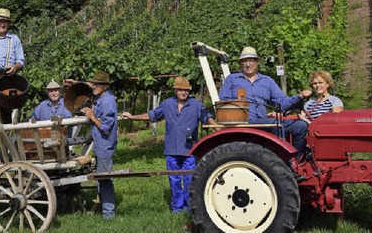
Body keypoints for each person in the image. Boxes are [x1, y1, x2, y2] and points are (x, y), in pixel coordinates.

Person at [122, 76, 215, 213]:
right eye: (180, 90)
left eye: (186, 91)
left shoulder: (196, 105)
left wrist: (219, 129)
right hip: (172, 149)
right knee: (174, 179)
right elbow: (152, 115)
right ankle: (177, 207)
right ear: (175, 91)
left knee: (190, 179)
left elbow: (208, 118)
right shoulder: (167, 104)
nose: (183, 93)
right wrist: (133, 117)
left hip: (189, 150)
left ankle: (190, 207)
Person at [218, 47, 312, 158]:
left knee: (300, 125)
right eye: (245, 61)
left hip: (264, 121)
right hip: (243, 122)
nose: (248, 64)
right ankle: (283, 160)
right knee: (275, 123)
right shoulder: (232, 79)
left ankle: (297, 162)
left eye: (251, 60)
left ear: (257, 62)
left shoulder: (267, 81)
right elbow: (224, 103)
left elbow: (282, 102)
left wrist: (299, 96)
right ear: (240, 63)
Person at [67, 71, 118, 219]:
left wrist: (92, 116)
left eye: (97, 84)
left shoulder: (108, 102)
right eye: (93, 83)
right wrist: (75, 83)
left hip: (105, 145)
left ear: (105, 86)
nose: (93, 86)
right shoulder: (101, 96)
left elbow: (106, 129)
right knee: (102, 179)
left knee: (105, 180)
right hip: (101, 144)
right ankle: (105, 211)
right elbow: (91, 86)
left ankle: (108, 215)